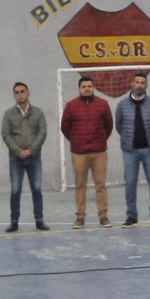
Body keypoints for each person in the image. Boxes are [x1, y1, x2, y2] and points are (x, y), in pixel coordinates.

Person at [60, 76, 114, 229]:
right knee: (80, 185)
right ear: (79, 88)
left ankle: (103, 216)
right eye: (84, 86)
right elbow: (65, 127)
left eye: (89, 86)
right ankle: (80, 217)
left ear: (93, 88)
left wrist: (101, 140)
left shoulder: (103, 104)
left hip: (99, 153)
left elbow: (109, 125)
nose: (87, 89)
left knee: (101, 185)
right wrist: (76, 141)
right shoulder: (71, 106)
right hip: (79, 153)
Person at [115, 72, 150, 228]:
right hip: (129, 151)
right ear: (132, 84)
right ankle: (131, 216)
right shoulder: (122, 105)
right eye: (137, 82)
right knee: (130, 183)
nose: (139, 85)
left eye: (142, 82)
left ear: (146, 85)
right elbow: (119, 126)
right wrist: (128, 138)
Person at [1, 82, 49, 232]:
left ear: (28, 93)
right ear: (14, 95)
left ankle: (39, 220)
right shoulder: (8, 114)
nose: (20, 94)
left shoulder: (38, 113)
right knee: (15, 190)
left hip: (34, 157)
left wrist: (31, 150)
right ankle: (14, 221)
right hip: (16, 158)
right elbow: (6, 134)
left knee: (37, 189)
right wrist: (18, 151)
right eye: (16, 92)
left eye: (22, 91)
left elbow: (42, 132)